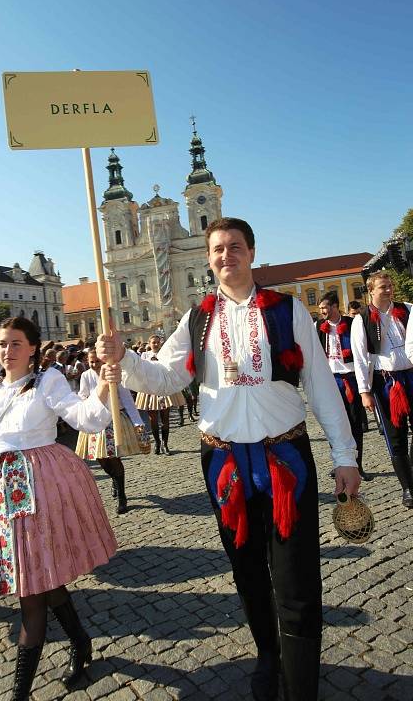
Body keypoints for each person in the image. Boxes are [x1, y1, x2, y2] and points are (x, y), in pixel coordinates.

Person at [97, 217, 359, 701]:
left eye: (234, 247)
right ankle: (267, 656)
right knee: (246, 569)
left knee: (296, 573)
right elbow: (165, 379)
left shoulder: (286, 310)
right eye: (217, 249)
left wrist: (346, 456)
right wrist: (125, 360)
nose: (225, 256)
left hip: (285, 459)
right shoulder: (197, 318)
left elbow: (322, 388)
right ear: (209, 257)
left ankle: (301, 682)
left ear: (251, 253)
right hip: (223, 464)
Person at [0, 317, 119, 700]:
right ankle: (81, 640)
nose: (7, 350)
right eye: (3, 343)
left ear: (33, 347)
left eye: (16, 343)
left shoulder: (48, 381)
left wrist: (104, 382)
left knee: (33, 591)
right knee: (42, 578)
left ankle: (19, 693)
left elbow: (86, 419)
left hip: (41, 491)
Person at [351, 271, 413, 507]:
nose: (388, 290)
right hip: (386, 382)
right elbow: (360, 357)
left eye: (389, 286)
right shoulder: (362, 319)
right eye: (382, 287)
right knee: (395, 436)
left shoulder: (407, 309)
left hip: (411, 374)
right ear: (371, 291)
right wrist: (364, 391)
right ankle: (408, 488)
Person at [76, 348, 148, 514]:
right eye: (91, 361)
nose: (94, 364)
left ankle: (122, 495)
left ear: (103, 360)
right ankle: (114, 479)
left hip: (114, 419)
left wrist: (137, 421)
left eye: (97, 361)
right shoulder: (86, 376)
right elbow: (82, 395)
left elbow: (127, 399)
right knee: (101, 459)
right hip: (94, 421)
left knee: (114, 457)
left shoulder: (115, 373)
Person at [316, 292, 369, 480]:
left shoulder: (352, 323)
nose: (322, 311)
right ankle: (339, 464)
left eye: (325, 307)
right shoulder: (319, 327)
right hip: (331, 380)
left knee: (355, 424)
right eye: (320, 308)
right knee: (335, 424)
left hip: (350, 378)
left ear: (335, 306)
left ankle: (358, 465)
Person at [136, 334, 185, 455]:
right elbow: (141, 370)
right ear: (149, 343)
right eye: (153, 342)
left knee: (165, 417)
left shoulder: (165, 354)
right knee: (153, 419)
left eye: (158, 342)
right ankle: (157, 443)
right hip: (150, 389)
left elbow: (170, 368)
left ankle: (165, 444)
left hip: (163, 388)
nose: (156, 344)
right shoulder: (145, 355)